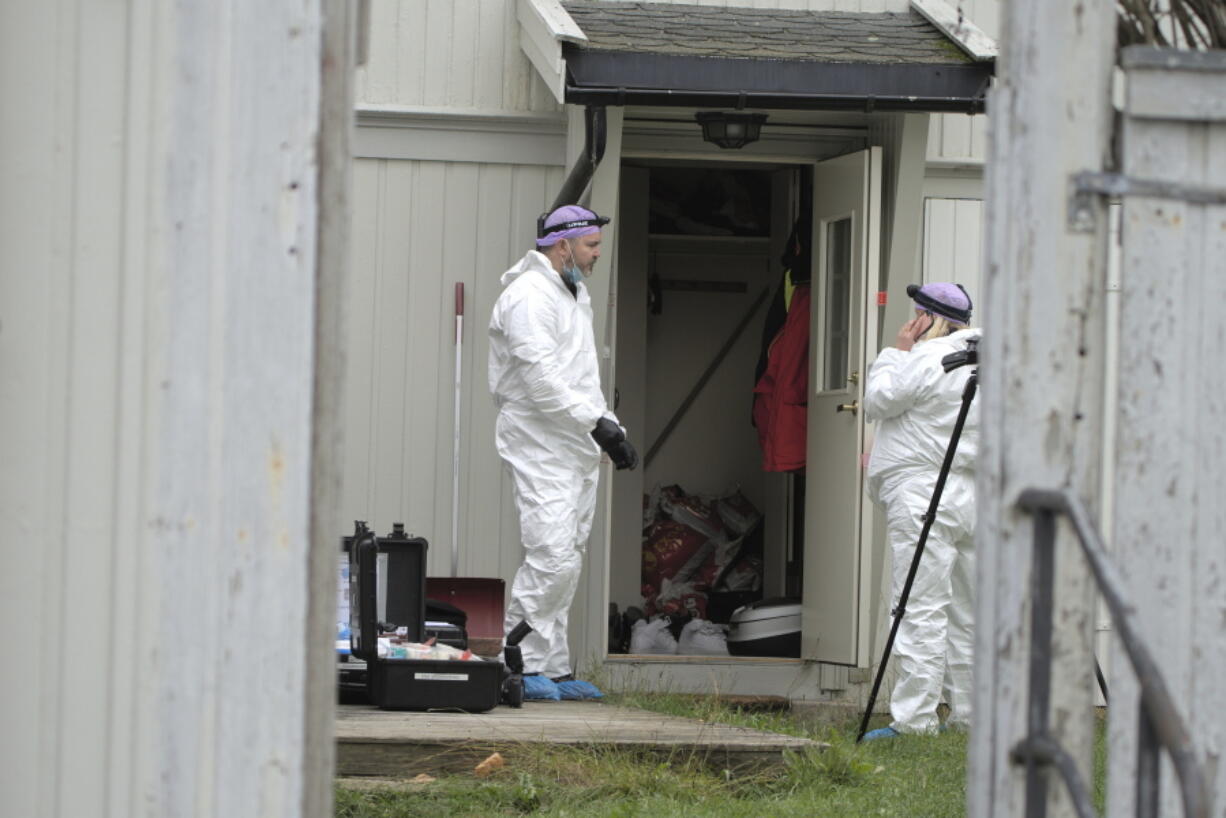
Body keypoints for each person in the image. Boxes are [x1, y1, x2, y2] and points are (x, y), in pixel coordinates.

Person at [488, 204, 638, 701]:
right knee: (549, 553)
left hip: (571, 441)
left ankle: (549, 668)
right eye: (592, 245)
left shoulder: (572, 291)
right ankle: (516, 663)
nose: (597, 254)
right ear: (562, 245)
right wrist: (595, 425)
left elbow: (579, 375)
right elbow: (541, 380)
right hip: (538, 439)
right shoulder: (528, 296)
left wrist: (610, 429)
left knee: (568, 556)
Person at [860, 282, 981, 739]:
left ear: (927, 318)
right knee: (966, 610)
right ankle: (971, 716)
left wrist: (897, 350)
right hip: (970, 493)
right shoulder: (992, 361)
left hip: (921, 492)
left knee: (918, 605)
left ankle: (914, 722)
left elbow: (877, 401)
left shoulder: (926, 358)